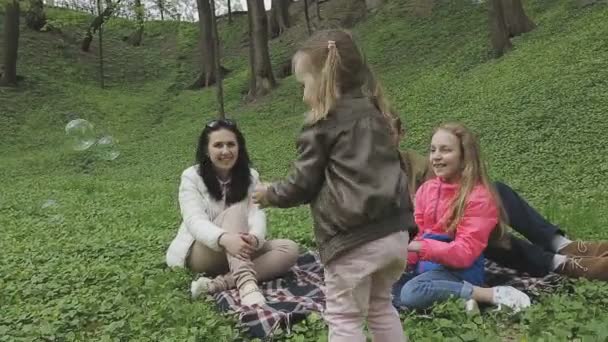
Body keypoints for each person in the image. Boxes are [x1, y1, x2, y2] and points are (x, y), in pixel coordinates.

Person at [252, 30, 413, 342]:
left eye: (304, 84)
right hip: (395, 233)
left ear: (324, 79)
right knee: (381, 307)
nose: (302, 95)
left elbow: (302, 183)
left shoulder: (323, 124)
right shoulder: (377, 112)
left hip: (352, 238)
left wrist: (270, 194)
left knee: (343, 317)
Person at [392, 117, 608, 281]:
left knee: (495, 193)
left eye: (389, 132)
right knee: (483, 236)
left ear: (400, 133)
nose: (436, 155)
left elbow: (447, 186)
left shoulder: (414, 162)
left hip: (453, 222)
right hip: (425, 239)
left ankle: (562, 245)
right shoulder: (364, 174)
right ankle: (561, 263)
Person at [398, 122, 531, 311]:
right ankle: (462, 302)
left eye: (445, 150)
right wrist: (401, 261)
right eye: (433, 150)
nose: (436, 157)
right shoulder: (425, 190)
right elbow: (417, 234)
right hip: (424, 269)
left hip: (459, 271)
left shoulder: (479, 197)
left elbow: (465, 253)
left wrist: (419, 247)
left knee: (410, 293)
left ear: (463, 157)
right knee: (381, 289)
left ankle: (490, 294)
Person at [165, 119, 299, 306]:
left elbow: (256, 213)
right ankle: (246, 285)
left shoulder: (250, 176)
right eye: (218, 145)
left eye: (231, 144)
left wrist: (254, 238)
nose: (226, 151)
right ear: (206, 149)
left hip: (238, 249)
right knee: (236, 211)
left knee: (289, 248)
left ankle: (216, 285)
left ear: (239, 147)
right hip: (202, 251)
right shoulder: (192, 177)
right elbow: (194, 220)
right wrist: (225, 238)